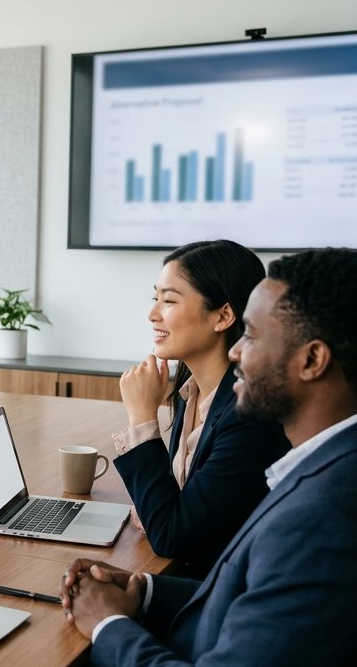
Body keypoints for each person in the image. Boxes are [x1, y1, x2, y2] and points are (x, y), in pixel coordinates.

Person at [59, 247, 357, 667]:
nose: (238, 350)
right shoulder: (323, 468)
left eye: (255, 336)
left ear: (312, 360)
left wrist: (107, 624)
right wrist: (143, 592)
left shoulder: (324, 516)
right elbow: (255, 593)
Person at [113, 239, 289, 575]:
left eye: (168, 300)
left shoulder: (249, 416)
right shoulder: (192, 390)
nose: (152, 314)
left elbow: (169, 534)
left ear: (223, 315)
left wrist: (141, 417)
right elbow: (171, 507)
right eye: (156, 298)